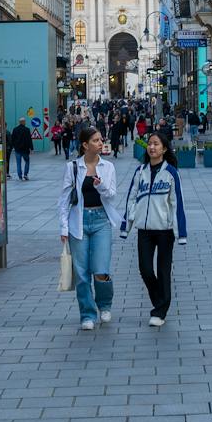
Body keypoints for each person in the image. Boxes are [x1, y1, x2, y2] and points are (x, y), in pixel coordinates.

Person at [120, 132, 187, 326]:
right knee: (145, 270)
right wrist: (127, 226)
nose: (152, 147)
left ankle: (159, 311)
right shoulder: (140, 171)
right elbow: (131, 199)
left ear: (164, 149)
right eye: (149, 144)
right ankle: (160, 301)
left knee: (163, 271)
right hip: (145, 229)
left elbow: (177, 203)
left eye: (156, 144)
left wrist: (180, 232)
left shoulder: (171, 173)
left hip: (165, 230)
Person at [59, 126, 120, 330]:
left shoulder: (108, 167)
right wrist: (63, 227)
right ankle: (87, 314)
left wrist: (100, 185)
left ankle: (104, 305)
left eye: (101, 140)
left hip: (101, 219)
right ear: (85, 145)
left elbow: (111, 195)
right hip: (79, 221)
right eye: (95, 140)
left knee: (101, 269)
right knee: (82, 272)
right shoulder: (73, 167)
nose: (100, 143)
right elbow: (64, 199)